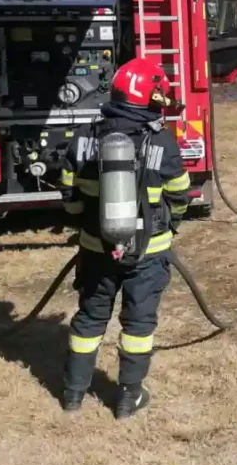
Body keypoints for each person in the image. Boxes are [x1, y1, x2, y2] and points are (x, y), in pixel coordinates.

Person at [58, 58, 191, 418]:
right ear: (148, 94)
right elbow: (179, 192)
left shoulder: (86, 135)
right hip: (148, 252)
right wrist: (171, 223)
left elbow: (69, 192)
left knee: (89, 319)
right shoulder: (162, 139)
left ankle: (73, 394)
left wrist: (83, 225)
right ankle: (128, 398)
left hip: (95, 247)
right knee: (138, 324)